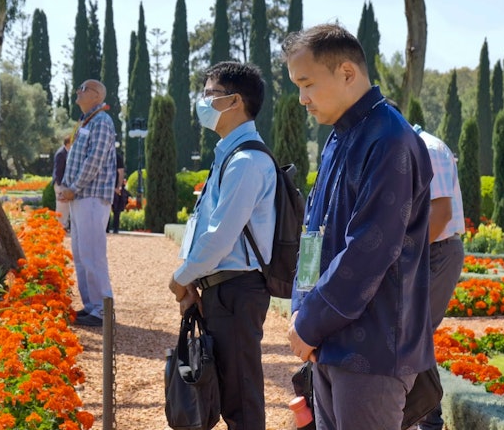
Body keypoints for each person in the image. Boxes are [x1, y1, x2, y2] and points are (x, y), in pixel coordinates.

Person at [282, 23, 435, 430]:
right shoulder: (341, 137)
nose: (302, 99)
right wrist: (303, 314)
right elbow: (315, 233)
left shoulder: (389, 139)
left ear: (347, 73)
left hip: (373, 349)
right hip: (332, 342)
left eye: (307, 83)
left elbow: (370, 249)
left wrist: (310, 321)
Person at [169, 61, 276, 430]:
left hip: (237, 289)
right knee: (228, 391)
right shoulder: (230, 155)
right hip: (222, 289)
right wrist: (194, 279)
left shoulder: (246, 161)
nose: (202, 103)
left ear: (235, 101)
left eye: (210, 95)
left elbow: (220, 235)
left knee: (240, 400)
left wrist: (181, 277)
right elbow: (205, 224)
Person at [413, 125, 466, 430]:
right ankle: (421, 418)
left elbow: (441, 214)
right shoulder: (410, 146)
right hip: (427, 250)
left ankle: (429, 422)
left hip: (438, 250)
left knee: (413, 335)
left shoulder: (428, 149)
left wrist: (401, 255)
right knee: (411, 335)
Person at [57, 79, 117, 327]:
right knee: (82, 255)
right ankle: (92, 306)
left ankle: (103, 310)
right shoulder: (87, 121)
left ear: (96, 95)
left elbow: (94, 161)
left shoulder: (102, 121)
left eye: (83, 89)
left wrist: (74, 187)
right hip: (81, 197)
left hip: (90, 196)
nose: (77, 91)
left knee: (93, 255)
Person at [52, 135, 72, 231]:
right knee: (61, 205)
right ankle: (60, 226)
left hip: (64, 184)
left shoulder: (66, 153)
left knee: (65, 206)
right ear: (68, 143)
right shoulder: (61, 153)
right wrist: (60, 185)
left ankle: (64, 225)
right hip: (60, 184)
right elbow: (58, 171)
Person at [108, 145, 127, 234]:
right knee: (106, 209)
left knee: (116, 210)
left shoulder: (117, 157)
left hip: (115, 187)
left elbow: (121, 172)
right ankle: (106, 228)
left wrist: (118, 186)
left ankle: (115, 228)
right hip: (107, 186)